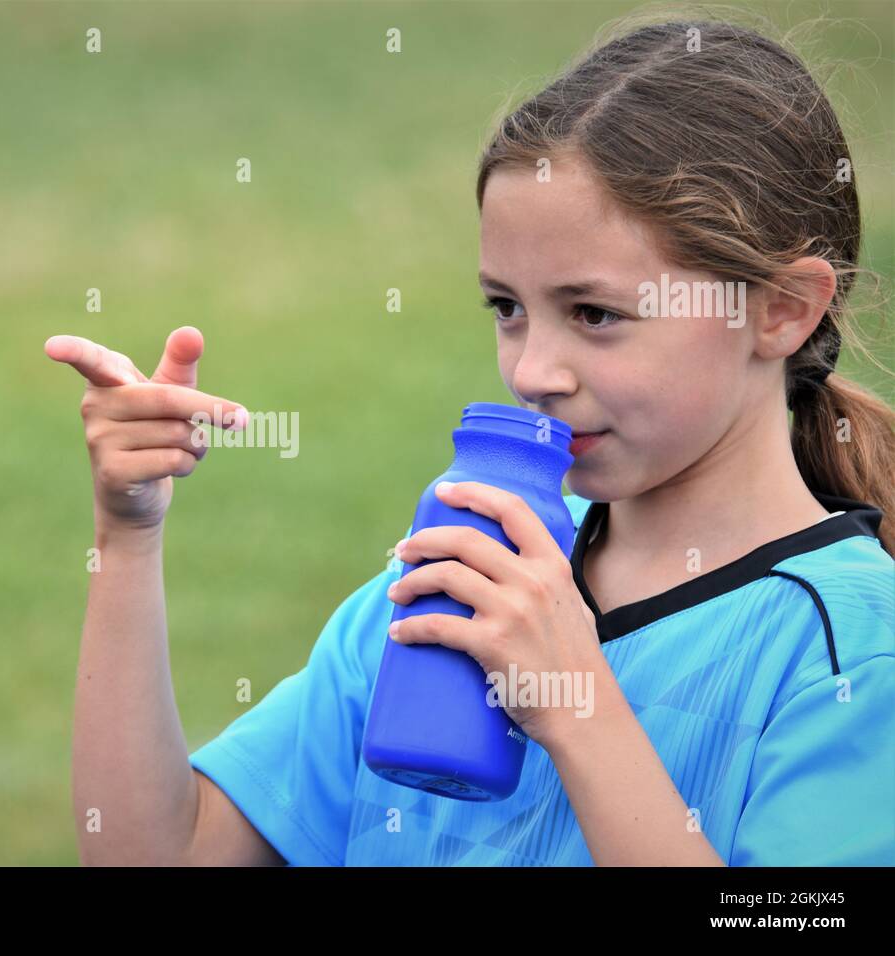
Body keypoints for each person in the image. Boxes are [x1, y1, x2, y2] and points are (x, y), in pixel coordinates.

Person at [46, 15, 895, 866]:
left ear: (782, 308)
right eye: (507, 307)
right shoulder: (450, 578)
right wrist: (128, 539)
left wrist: (574, 705)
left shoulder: (855, 648)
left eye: (595, 313)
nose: (533, 371)